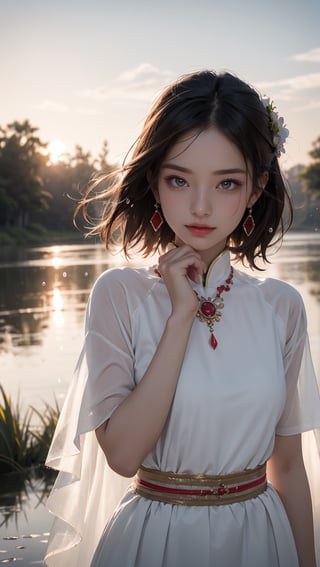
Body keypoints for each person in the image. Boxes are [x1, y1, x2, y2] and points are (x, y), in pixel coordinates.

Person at [44, 70, 320, 567]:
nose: (199, 206)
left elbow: (290, 470)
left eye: (227, 183)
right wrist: (179, 317)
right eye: (179, 179)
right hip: (154, 540)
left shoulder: (281, 306)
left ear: (256, 189)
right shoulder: (119, 296)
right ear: (153, 180)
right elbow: (124, 456)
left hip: (260, 539)